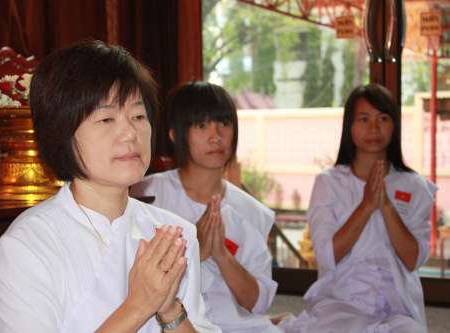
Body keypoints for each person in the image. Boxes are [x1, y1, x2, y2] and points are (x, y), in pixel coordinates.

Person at [0, 41, 221, 333]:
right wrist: (138, 306)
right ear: (60, 133)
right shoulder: (28, 246)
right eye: (106, 118)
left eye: (138, 116)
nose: (130, 133)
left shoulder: (174, 234)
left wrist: (170, 309)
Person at [280, 84, 436, 333]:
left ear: (394, 126)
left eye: (383, 118)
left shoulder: (414, 185)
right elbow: (326, 255)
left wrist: (385, 205)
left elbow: (413, 259)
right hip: (343, 298)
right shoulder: (329, 182)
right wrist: (365, 206)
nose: (373, 128)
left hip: (398, 303)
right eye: (364, 119)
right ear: (349, 127)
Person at [131, 82, 282, 333]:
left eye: (224, 124)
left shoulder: (252, 211)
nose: (216, 136)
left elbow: (258, 303)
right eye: (201, 125)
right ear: (175, 135)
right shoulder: (145, 195)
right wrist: (195, 249)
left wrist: (222, 255)